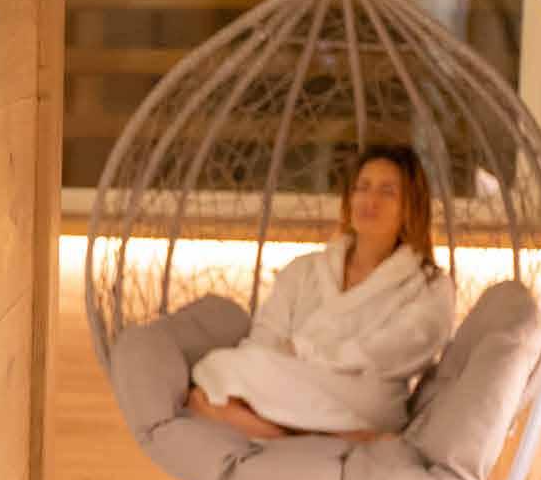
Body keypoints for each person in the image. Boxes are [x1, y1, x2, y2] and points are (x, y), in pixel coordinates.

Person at [186, 146, 458, 442]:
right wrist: (272, 363)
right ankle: (307, 436)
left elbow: (399, 351)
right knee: (218, 367)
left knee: (212, 389)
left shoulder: (430, 285)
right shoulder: (304, 269)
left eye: (387, 191)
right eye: (362, 188)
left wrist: (307, 352)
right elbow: (266, 335)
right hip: (290, 378)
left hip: (364, 392)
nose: (370, 200)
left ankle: (267, 424)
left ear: (410, 207)